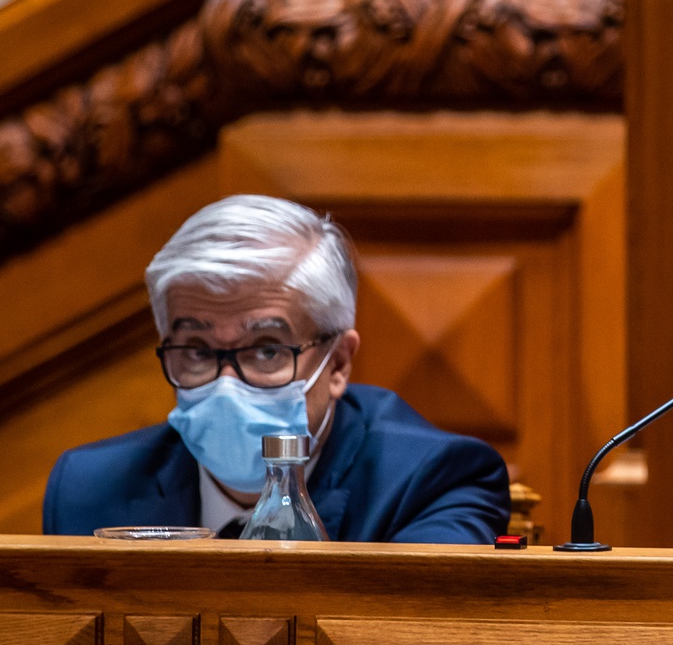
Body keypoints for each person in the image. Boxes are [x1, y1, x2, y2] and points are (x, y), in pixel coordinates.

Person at [44, 195, 510, 542]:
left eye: (266, 350)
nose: (226, 386)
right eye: (199, 351)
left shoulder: (430, 483)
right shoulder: (89, 490)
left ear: (339, 364)